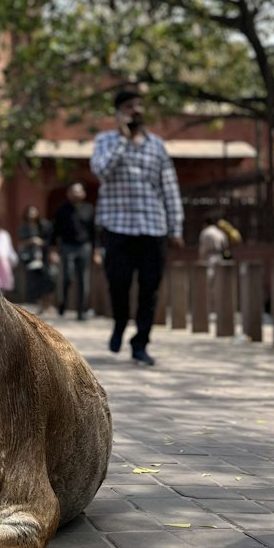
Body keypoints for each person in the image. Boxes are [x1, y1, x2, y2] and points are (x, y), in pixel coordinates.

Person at [90, 87, 184, 366]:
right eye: (130, 107)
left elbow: (170, 188)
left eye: (139, 106)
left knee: (149, 288)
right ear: (118, 113)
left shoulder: (156, 145)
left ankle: (140, 342)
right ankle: (120, 323)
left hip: (153, 227)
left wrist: (175, 228)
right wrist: (122, 139)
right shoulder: (105, 141)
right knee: (118, 283)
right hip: (117, 227)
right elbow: (101, 171)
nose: (136, 111)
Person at [49, 182, 95, 320]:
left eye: (78, 191)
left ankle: (81, 311)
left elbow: (94, 232)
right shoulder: (61, 209)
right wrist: (52, 251)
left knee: (83, 280)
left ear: (83, 194)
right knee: (67, 277)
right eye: (73, 192)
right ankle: (63, 304)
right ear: (69, 194)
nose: (76, 194)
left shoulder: (89, 209)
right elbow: (54, 231)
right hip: (67, 246)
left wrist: (97, 251)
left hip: (84, 247)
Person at [17, 204, 54, 311]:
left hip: (43, 257)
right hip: (30, 258)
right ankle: (40, 304)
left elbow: (50, 240)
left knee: (48, 279)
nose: (32, 214)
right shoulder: (23, 227)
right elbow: (20, 242)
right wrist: (32, 241)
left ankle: (47, 303)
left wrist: (43, 244)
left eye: (34, 211)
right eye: (29, 212)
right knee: (35, 282)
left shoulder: (43, 225)